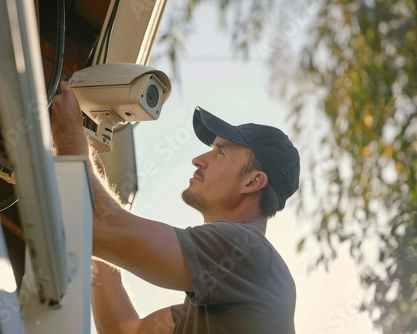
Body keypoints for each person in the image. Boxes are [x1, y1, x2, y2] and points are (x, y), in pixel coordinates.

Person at [51, 81, 300, 334]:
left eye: (220, 153)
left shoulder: (246, 251)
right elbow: (123, 329)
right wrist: (93, 192)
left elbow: (98, 225)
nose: (198, 160)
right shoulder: (211, 307)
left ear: (252, 181)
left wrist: (70, 138)